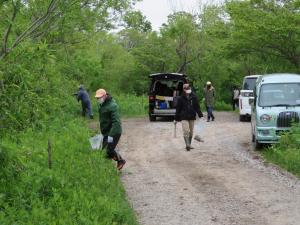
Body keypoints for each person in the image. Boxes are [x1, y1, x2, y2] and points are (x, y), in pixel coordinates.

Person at [95, 88, 126, 170]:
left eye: (99, 98)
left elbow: (116, 122)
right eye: (97, 98)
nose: (98, 99)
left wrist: (110, 136)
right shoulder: (102, 105)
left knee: (108, 150)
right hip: (106, 132)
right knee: (104, 150)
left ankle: (121, 160)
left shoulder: (113, 106)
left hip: (114, 132)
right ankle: (106, 168)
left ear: (105, 96)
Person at [175, 83, 203, 151]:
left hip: (192, 116)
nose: (188, 90)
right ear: (183, 89)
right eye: (186, 89)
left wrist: (200, 115)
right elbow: (178, 109)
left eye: (189, 88)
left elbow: (197, 107)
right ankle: (187, 145)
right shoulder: (180, 98)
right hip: (184, 117)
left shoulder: (194, 97)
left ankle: (189, 144)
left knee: (191, 132)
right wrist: (175, 119)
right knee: (186, 131)